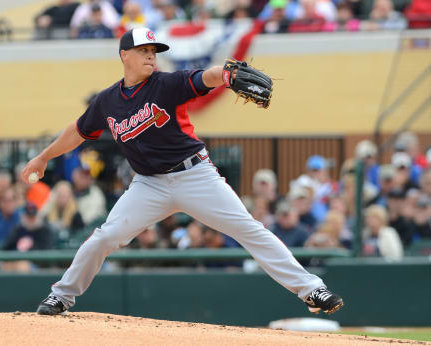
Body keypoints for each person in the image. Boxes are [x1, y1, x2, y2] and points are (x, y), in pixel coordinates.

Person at [22, 27, 343, 316]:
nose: (151, 56)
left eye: (153, 51)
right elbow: (77, 131)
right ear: (124, 56)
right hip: (148, 185)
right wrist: (42, 157)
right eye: (143, 51)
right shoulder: (107, 102)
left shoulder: (166, 84)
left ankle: (311, 289)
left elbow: (206, 76)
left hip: (194, 175)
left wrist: (229, 76)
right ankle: (61, 296)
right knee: (104, 237)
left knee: (248, 228)